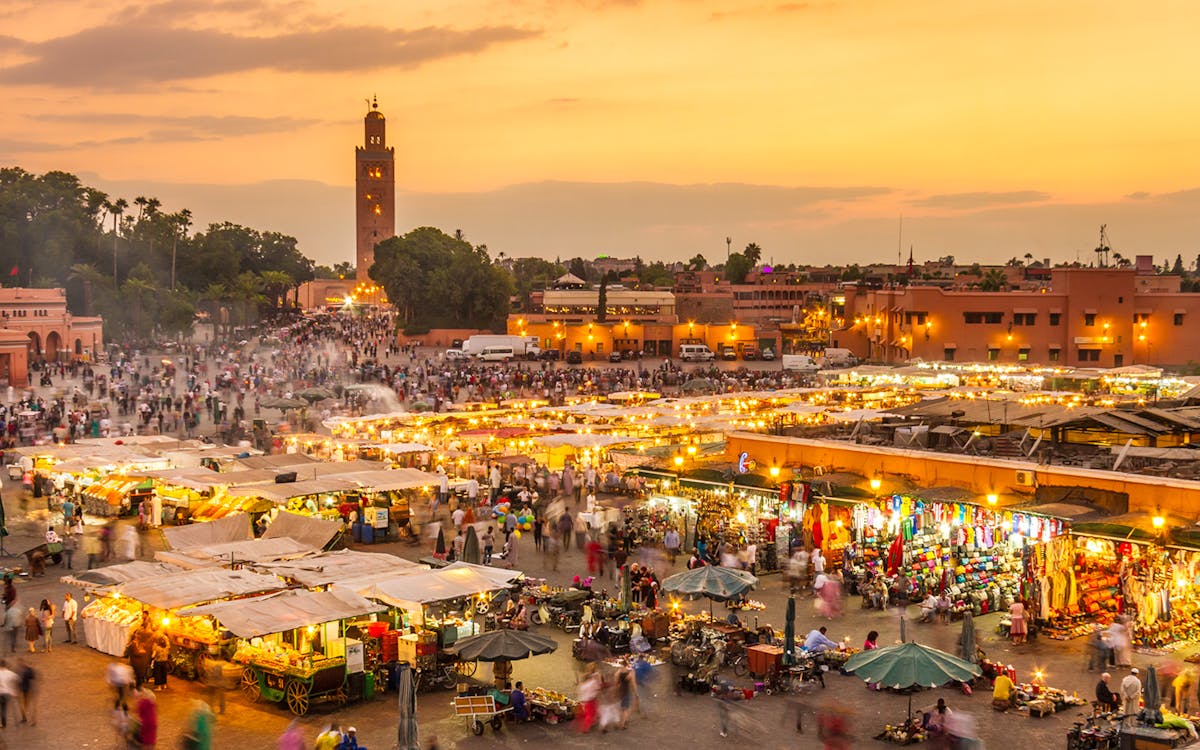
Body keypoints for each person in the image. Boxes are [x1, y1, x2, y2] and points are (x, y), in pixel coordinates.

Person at [16, 659, 35, 726]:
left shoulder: (23, 671)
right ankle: (25, 717)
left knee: (23, 704)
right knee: (25, 704)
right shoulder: (28, 670)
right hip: (27, 689)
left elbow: (19, 680)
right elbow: (33, 678)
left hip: (24, 689)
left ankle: (25, 717)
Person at [0, 660, 16, 729]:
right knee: (4, 708)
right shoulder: (9, 673)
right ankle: (3, 723)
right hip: (7, 693)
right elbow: (17, 678)